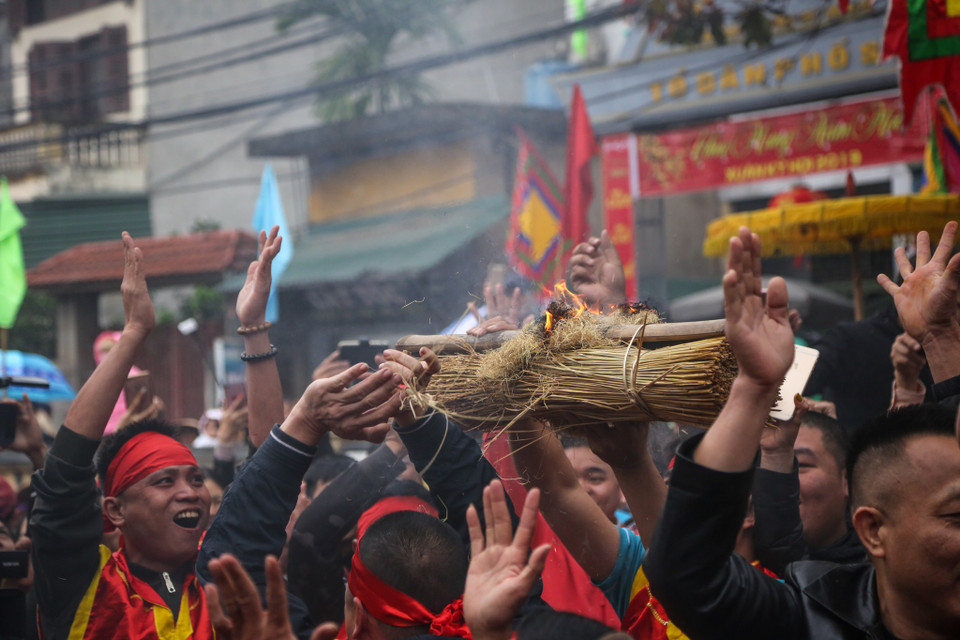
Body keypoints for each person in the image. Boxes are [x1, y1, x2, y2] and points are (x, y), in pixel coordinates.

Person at [644, 222, 960, 640]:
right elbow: (685, 575)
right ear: (873, 531)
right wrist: (753, 391)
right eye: (955, 516)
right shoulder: (811, 618)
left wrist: (940, 338)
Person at [30, 232, 217, 639]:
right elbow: (63, 480)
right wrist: (134, 331)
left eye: (196, 478)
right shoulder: (84, 583)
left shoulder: (225, 577)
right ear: (114, 511)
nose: (190, 492)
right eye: (165, 481)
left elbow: (268, 487)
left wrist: (255, 335)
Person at [753, 403, 864, 575]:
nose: (781, 480)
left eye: (802, 464)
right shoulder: (740, 569)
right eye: (765, 469)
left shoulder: (881, 570)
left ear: (848, 480)